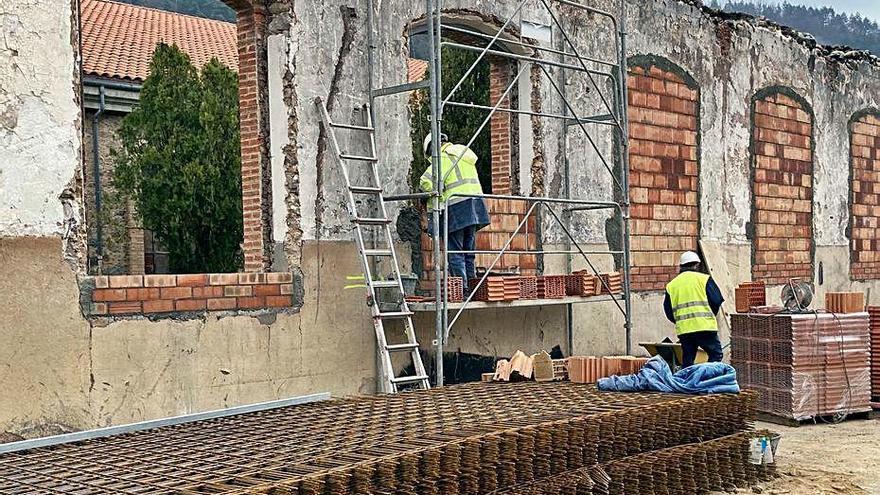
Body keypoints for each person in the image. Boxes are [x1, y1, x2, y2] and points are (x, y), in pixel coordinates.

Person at [419, 133, 489, 290]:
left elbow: (426, 183)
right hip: (475, 207)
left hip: (457, 208)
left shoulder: (442, 159)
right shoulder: (463, 154)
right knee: (468, 252)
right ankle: (472, 288)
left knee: (455, 252)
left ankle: (462, 290)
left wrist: (426, 199)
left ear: (432, 149)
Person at [663, 251, 725, 367]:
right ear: (697, 265)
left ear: (681, 266)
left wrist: (680, 321)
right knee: (716, 355)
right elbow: (716, 301)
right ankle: (707, 379)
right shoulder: (704, 279)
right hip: (705, 327)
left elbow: (668, 311)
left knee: (688, 361)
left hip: (685, 330)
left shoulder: (672, 285)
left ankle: (688, 383)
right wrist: (709, 314)